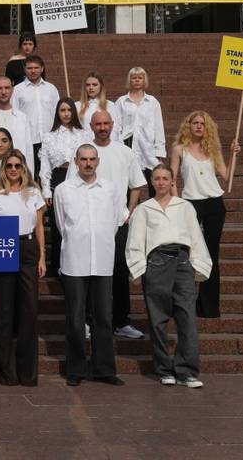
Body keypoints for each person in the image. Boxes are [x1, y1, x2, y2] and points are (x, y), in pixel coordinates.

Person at [126, 164, 212, 388]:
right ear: (152, 181)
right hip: (157, 262)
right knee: (157, 320)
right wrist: (139, 268)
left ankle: (187, 371)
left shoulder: (184, 207)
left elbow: (195, 235)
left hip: (182, 261)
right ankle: (165, 369)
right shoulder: (144, 209)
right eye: (157, 178)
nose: (161, 182)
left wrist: (199, 264)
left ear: (173, 181)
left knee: (187, 318)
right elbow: (135, 240)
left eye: (165, 178)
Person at [54, 144, 126, 387]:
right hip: (75, 261)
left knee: (103, 317)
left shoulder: (110, 188)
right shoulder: (63, 190)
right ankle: (75, 369)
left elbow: (115, 221)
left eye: (92, 159)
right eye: (83, 159)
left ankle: (104, 369)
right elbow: (62, 224)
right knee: (75, 318)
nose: (88, 163)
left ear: (98, 161)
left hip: (103, 260)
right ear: (76, 161)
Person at [0, 149, 45, 386]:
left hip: (27, 248)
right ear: (3, 169)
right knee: (4, 312)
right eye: (9, 165)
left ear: (23, 168)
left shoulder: (33, 192)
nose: (13, 169)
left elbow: (39, 227)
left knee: (29, 310)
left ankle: (28, 373)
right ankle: (7, 372)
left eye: (17, 165)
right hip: (2, 249)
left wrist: (42, 258)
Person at [169, 111, 239, 318]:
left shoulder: (213, 150)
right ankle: (183, 302)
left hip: (214, 204)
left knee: (211, 254)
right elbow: (172, 179)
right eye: (195, 123)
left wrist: (233, 154)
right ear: (188, 125)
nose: (199, 126)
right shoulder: (179, 149)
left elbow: (227, 176)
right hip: (190, 203)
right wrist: (178, 203)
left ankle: (209, 307)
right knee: (186, 253)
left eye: (203, 123)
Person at [84, 110, 147, 340]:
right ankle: (89, 321)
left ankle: (121, 321)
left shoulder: (125, 152)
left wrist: (128, 212)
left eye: (106, 123)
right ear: (91, 126)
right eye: (98, 124)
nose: (102, 127)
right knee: (91, 273)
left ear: (112, 125)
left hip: (119, 223)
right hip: (91, 223)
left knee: (120, 272)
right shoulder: (84, 152)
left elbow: (137, 185)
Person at [39, 97, 92, 276]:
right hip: (58, 178)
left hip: (79, 178)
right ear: (57, 113)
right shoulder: (49, 136)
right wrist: (46, 190)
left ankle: (79, 263)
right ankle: (57, 265)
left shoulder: (84, 134)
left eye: (69, 110)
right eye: (62, 110)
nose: (66, 114)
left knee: (78, 222)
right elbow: (45, 165)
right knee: (57, 225)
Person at [114, 67, 167, 194]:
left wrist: (159, 150)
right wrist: (118, 146)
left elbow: (158, 127)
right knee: (130, 185)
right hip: (127, 144)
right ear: (129, 80)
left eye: (140, 77)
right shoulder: (121, 101)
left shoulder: (152, 102)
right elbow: (116, 126)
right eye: (134, 78)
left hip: (148, 147)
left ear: (144, 80)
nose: (137, 80)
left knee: (155, 184)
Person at [12, 55, 61, 175]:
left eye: (36, 68)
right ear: (25, 69)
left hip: (50, 139)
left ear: (42, 68)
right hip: (29, 140)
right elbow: (14, 114)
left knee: (50, 175)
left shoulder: (51, 89)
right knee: (30, 174)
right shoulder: (17, 90)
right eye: (29, 68)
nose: (33, 71)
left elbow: (58, 113)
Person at [0, 76, 33, 155]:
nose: (3, 92)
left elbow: (28, 148)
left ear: (12, 91)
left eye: (7, 88)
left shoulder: (22, 117)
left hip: (18, 162)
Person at [78, 72, 119, 138]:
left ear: (101, 86)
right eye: (88, 85)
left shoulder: (110, 105)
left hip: (104, 142)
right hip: (84, 142)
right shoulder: (77, 105)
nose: (91, 87)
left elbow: (115, 128)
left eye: (94, 85)